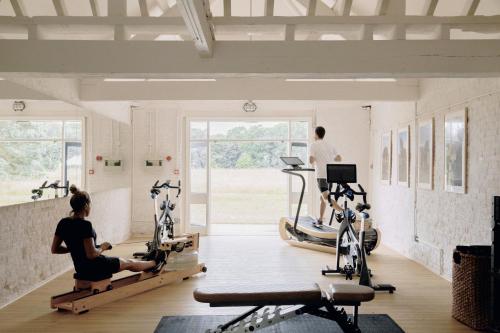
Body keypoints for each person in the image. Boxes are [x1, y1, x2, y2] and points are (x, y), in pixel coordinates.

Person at [51, 185, 165, 281]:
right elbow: (91, 255)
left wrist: (75, 248)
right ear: (86, 206)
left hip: (80, 267)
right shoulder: (85, 225)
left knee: (125, 261)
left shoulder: (63, 222)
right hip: (95, 266)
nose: (90, 207)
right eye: (90, 205)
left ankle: (149, 262)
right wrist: (102, 247)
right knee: (128, 262)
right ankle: (156, 262)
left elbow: (54, 249)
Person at [309, 126, 343, 228]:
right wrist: (328, 159)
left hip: (321, 175)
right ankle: (320, 219)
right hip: (330, 175)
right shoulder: (330, 145)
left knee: (326, 198)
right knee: (323, 197)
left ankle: (344, 212)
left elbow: (311, 160)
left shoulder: (314, 145)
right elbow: (339, 158)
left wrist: (315, 160)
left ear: (316, 134)